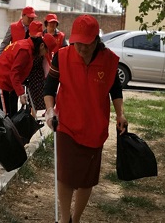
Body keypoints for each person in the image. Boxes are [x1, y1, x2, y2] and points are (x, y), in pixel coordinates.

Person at [43, 15, 128, 223]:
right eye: (77, 43)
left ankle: (77, 218)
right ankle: (64, 219)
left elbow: (115, 90)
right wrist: (50, 111)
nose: (81, 48)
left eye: (86, 44)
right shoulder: (62, 56)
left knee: (86, 179)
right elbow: (50, 87)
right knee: (65, 175)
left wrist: (120, 114)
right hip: (67, 125)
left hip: (94, 127)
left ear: (96, 41)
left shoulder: (109, 60)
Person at [0, 21, 56, 117]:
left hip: (5, 84)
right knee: (4, 116)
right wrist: (21, 93)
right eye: (46, 51)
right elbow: (14, 73)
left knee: (8, 115)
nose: (44, 54)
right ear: (41, 46)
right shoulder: (25, 50)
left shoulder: (29, 48)